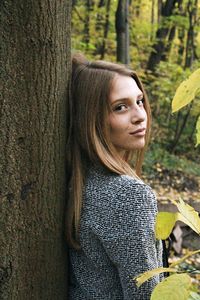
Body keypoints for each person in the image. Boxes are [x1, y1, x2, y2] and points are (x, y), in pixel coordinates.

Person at [66, 53, 164, 299]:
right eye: (120, 107)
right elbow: (146, 295)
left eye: (140, 101)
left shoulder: (78, 182)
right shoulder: (129, 196)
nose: (140, 115)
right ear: (92, 120)